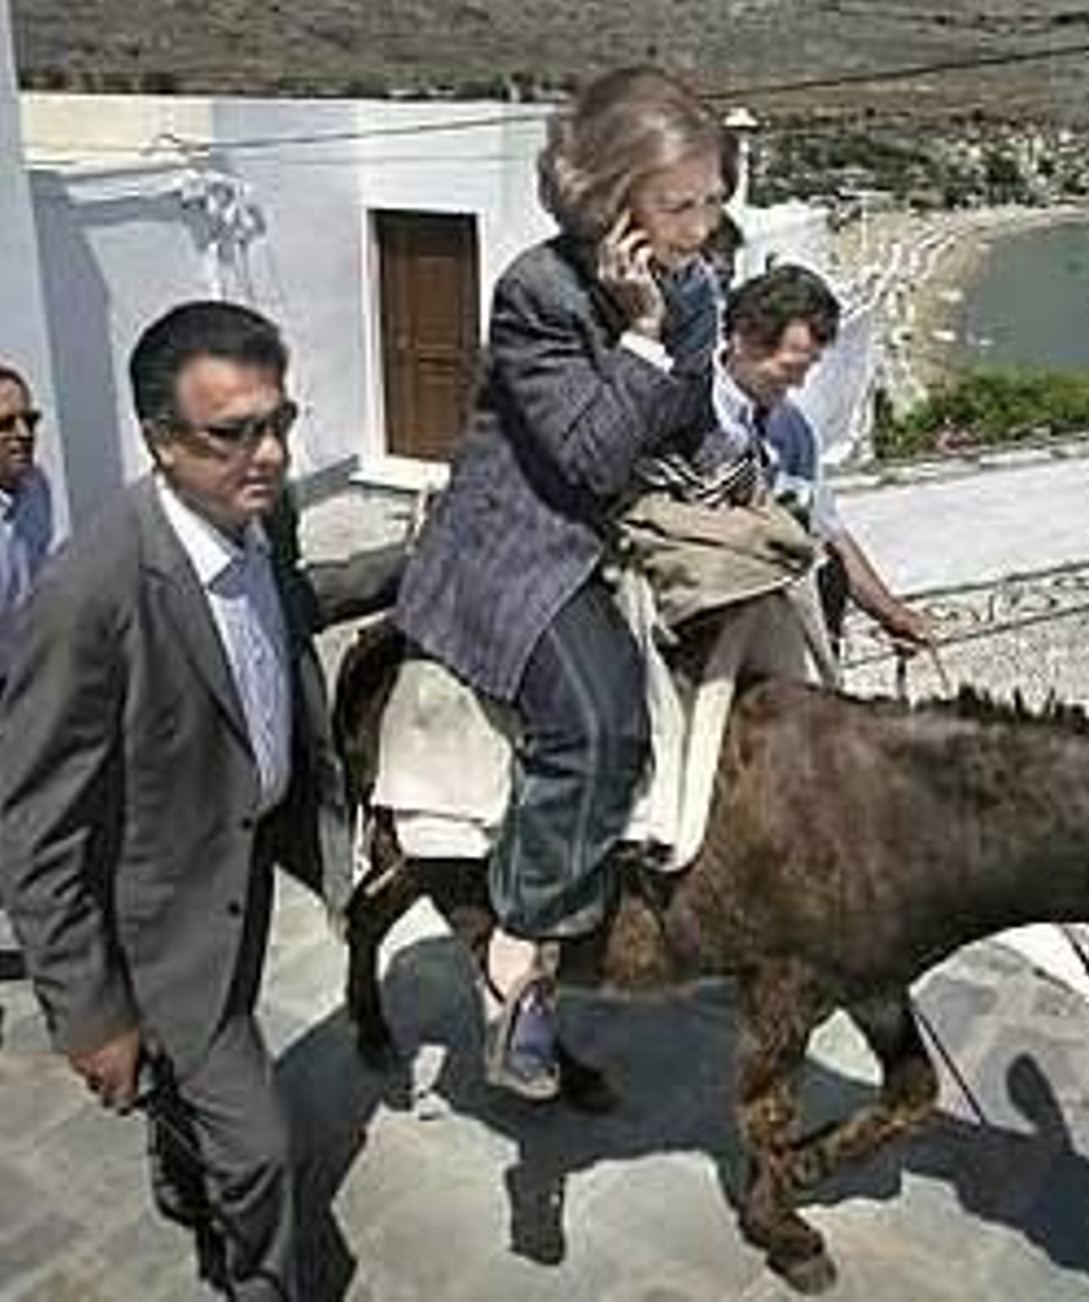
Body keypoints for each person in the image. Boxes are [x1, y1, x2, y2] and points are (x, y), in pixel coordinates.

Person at [0, 302, 405, 1300]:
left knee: (200, 1100)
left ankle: (179, 1164)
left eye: (280, 421)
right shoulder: (87, 596)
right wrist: (90, 1016)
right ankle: (259, 1283)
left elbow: (289, 607)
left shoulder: (259, 517)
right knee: (261, 1148)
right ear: (161, 441)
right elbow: (37, 833)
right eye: (233, 433)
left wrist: (413, 565)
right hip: (160, 915)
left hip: (245, 854)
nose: (268, 454)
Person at [394, 66, 730, 1100]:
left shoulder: (699, 285)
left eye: (715, 198)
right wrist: (637, 334)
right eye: (681, 206)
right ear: (612, 204)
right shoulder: (536, 291)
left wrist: (727, 470)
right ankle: (521, 952)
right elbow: (583, 457)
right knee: (597, 723)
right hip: (520, 541)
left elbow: (681, 417)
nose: (706, 224)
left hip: (621, 519)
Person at [718, 265, 932, 649]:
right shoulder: (690, 415)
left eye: (807, 369)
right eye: (789, 369)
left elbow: (828, 529)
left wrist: (892, 614)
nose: (798, 384)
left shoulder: (793, 428)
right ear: (743, 341)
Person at [0, 361, 54, 695]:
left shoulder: (37, 486)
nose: (23, 433)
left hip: (29, 674)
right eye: (6, 423)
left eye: (30, 420)